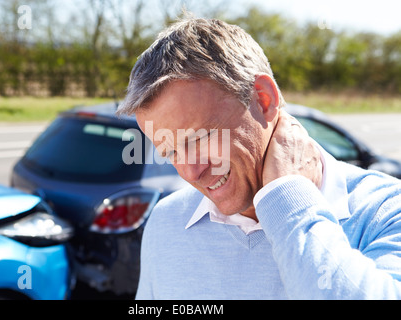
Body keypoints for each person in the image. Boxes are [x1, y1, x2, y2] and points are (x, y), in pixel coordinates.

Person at [116, 17, 401, 299]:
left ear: (263, 99)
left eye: (199, 138)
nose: (191, 173)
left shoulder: (386, 213)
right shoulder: (167, 221)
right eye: (171, 152)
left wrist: (291, 202)